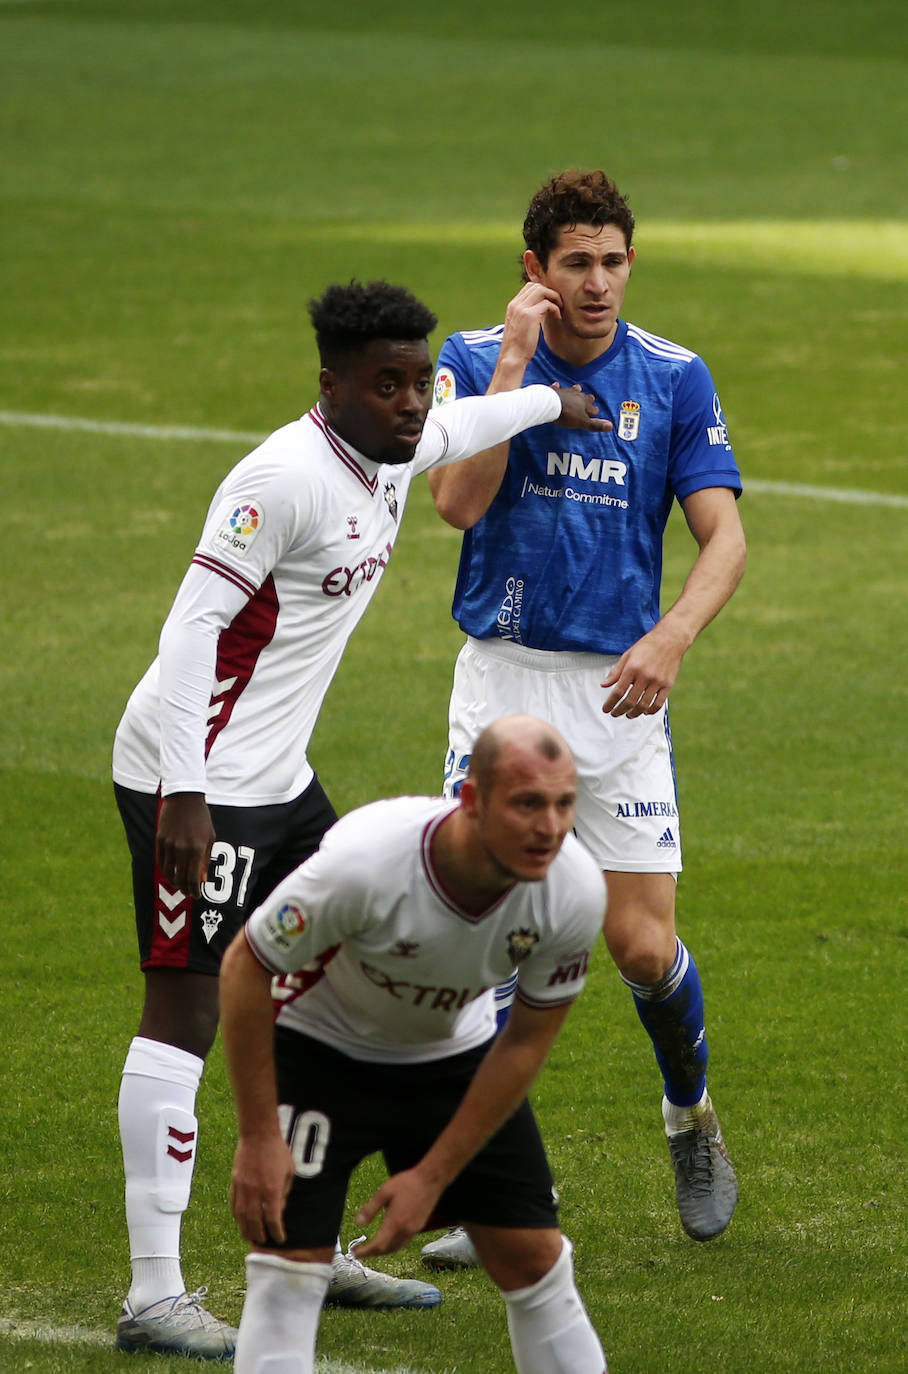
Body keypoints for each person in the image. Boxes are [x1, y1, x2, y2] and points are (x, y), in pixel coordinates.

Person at [110, 278, 608, 1358]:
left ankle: (309, 1235)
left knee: (322, 984)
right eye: (382, 386)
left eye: (415, 383)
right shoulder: (278, 479)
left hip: (278, 776)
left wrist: (547, 406)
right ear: (327, 385)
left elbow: (460, 424)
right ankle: (153, 1292)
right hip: (196, 776)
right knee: (188, 1009)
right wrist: (181, 795)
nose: (406, 404)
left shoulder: (391, 447)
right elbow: (192, 630)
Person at [420, 169, 746, 1272]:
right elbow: (455, 505)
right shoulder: (471, 362)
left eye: (611, 260)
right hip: (503, 683)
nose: (596, 282)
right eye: (575, 262)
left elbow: (724, 539)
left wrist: (669, 640)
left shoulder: (673, 376)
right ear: (534, 271)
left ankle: (688, 1119)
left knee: (640, 947)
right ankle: (508, 1194)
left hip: (619, 694)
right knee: (489, 941)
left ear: (628, 262)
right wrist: (512, 368)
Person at [220, 715, 609, 1374]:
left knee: (535, 1261)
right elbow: (246, 965)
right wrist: (259, 1136)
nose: (549, 828)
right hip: (321, 1051)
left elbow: (524, 1041)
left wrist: (434, 1176)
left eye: (563, 804)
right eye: (526, 804)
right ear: (471, 801)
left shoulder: (572, 892)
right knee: (288, 1276)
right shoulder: (366, 864)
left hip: (451, 1059)